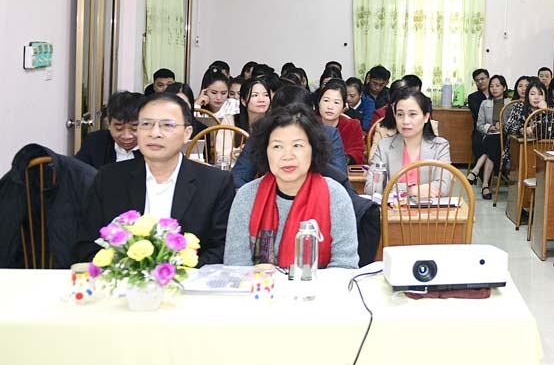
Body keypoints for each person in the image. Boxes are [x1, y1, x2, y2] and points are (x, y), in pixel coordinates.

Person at [74, 93, 235, 266]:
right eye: (146, 124)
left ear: (187, 133)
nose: (154, 133)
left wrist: (178, 273)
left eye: (167, 125)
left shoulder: (215, 183)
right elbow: (87, 243)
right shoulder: (109, 178)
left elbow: (221, 248)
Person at [224, 104, 358, 269]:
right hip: (261, 292)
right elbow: (236, 267)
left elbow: (344, 267)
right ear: (265, 151)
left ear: (313, 149)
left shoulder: (335, 196)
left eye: (297, 146)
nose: (287, 156)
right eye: (277, 147)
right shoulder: (247, 197)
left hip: (318, 293)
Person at [231, 85, 348, 188]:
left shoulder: (329, 134)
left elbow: (339, 178)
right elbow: (239, 176)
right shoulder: (261, 134)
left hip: (317, 197)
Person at [366, 87, 452, 199]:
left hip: (429, 213)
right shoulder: (384, 146)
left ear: (426, 117)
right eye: (400, 115)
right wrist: (412, 189)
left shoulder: (440, 146)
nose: (405, 121)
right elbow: (371, 188)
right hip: (393, 213)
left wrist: (393, 189)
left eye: (412, 114)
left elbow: (443, 187)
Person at [75, 91, 144, 168]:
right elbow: (77, 173)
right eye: (119, 128)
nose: (126, 136)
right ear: (109, 124)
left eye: (134, 128)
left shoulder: (155, 147)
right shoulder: (94, 142)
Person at [469, 74, 510, 199]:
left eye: (498, 86)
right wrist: (491, 127)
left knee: (494, 142)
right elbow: (479, 125)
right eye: (492, 86)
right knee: (493, 141)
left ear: (504, 87)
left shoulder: (511, 103)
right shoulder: (485, 103)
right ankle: (485, 185)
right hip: (490, 135)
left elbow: (513, 123)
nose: (494, 89)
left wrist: (502, 126)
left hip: (505, 137)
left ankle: (477, 172)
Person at [316, 80, 365, 165]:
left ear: (344, 107)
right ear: (319, 102)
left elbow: (358, 153)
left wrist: (344, 159)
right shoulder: (309, 124)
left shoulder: (352, 125)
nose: (330, 107)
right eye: (326, 101)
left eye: (336, 102)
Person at [467, 68, 490, 165]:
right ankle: (480, 174)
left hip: (497, 129)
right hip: (480, 130)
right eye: (477, 80)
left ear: (488, 79)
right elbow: (478, 114)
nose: (480, 82)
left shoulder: (497, 94)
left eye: (482, 79)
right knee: (478, 143)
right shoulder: (473, 97)